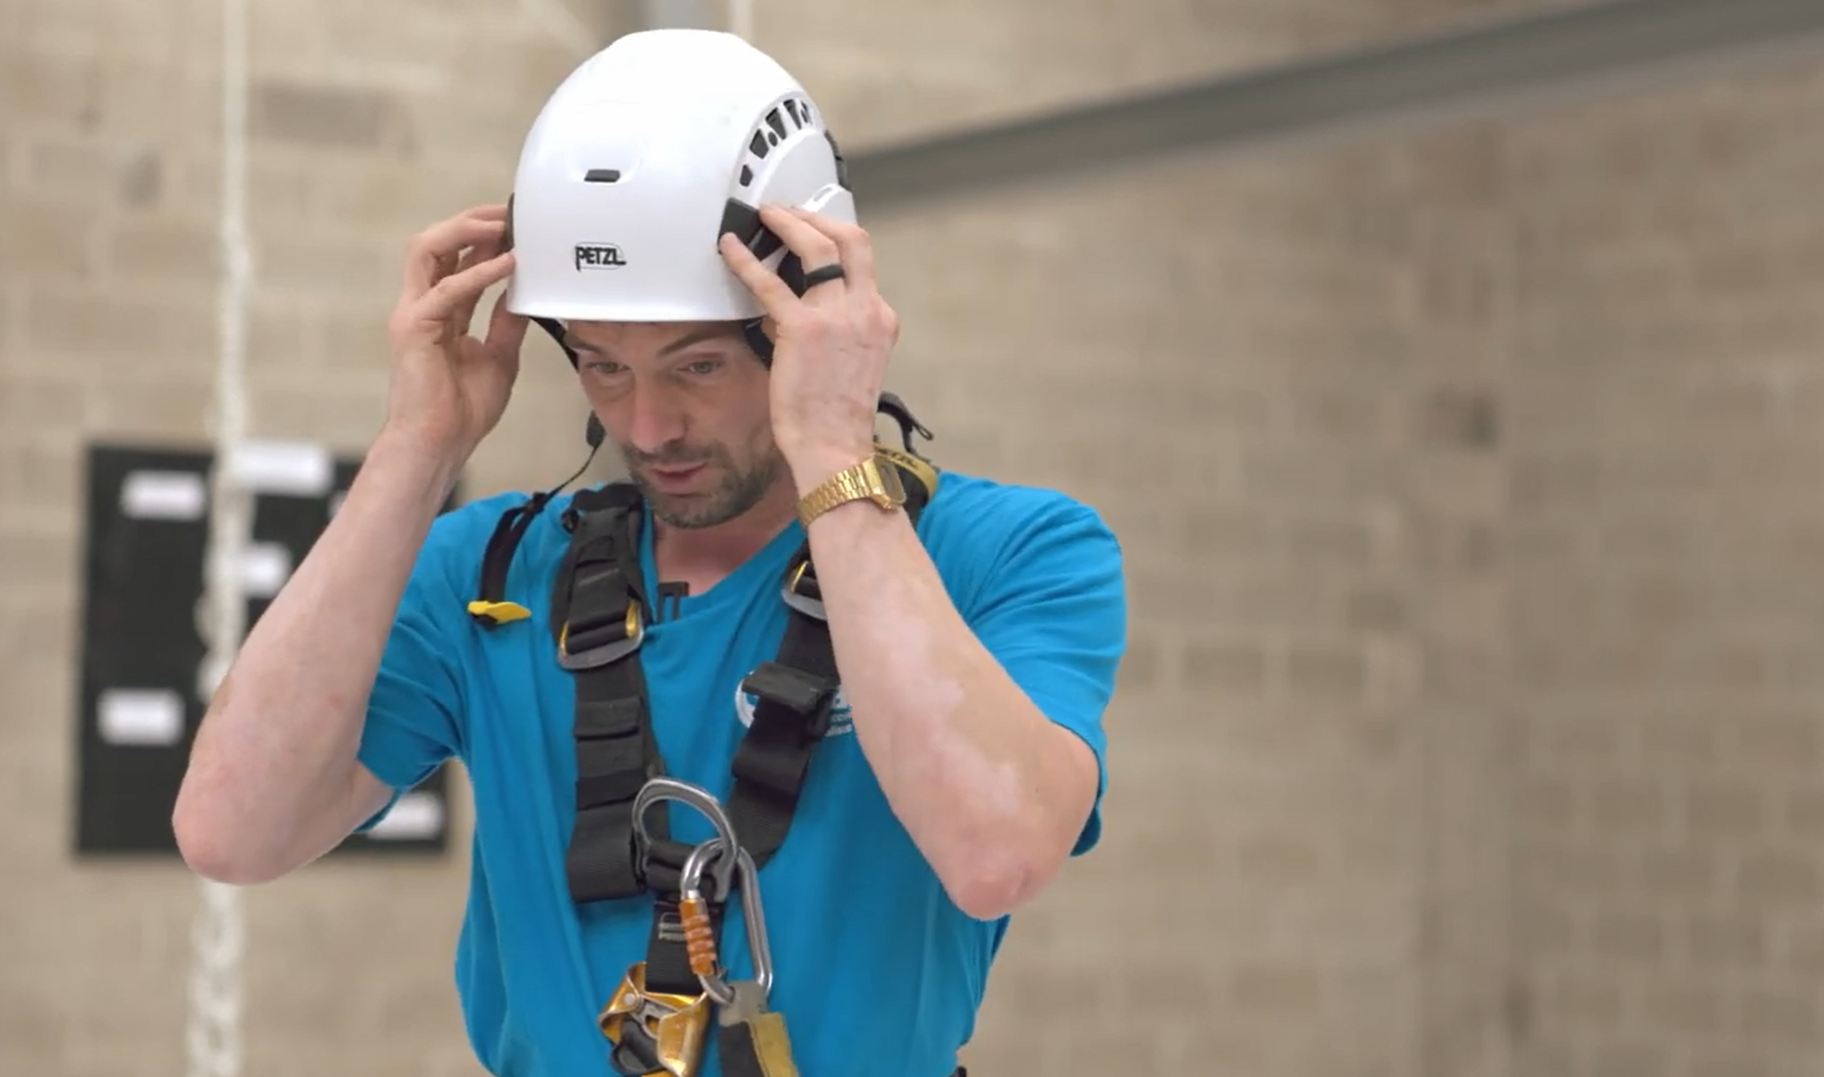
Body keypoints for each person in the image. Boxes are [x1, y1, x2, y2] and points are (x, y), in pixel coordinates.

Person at [172, 28, 1128, 1077]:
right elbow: (232, 831)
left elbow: (998, 854)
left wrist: (833, 447)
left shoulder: (1010, 552)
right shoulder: (493, 573)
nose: (650, 425)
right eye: (602, 366)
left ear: (808, 319)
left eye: (698, 366)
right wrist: (418, 447)